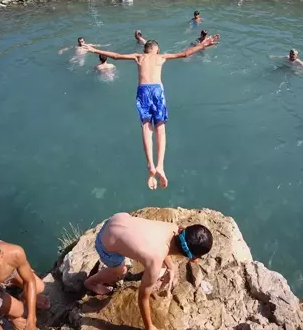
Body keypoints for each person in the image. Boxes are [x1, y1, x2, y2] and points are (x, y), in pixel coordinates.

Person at [85, 35, 220, 189]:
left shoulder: (139, 57)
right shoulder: (160, 57)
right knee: (160, 129)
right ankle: (160, 165)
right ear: (157, 50)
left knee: (146, 127)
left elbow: (116, 56)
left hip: (143, 91)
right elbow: (185, 54)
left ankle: (150, 164)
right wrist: (203, 44)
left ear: (145, 49)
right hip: (157, 90)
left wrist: (93, 49)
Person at [83, 212, 213, 330]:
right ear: (193, 258)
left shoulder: (172, 228)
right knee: (120, 271)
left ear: (183, 229)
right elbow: (142, 297)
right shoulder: (154, 263)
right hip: (105, 244)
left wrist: (171, 267)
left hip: (118, 219)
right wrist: (149, 326)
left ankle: (118, 248)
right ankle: (91, 283)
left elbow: (165, 246)